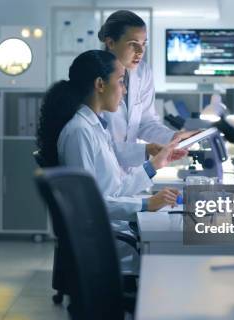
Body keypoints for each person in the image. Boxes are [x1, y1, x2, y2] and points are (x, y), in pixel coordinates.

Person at [37, 50, 180, 219]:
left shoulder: (96, 127)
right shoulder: (79, 132)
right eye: (121, 82)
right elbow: (87, 203)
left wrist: (154, 165)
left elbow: (114, 190)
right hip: (106, 235)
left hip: (114, 227)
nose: (125, 91)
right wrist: (147, 204)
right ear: (100, 84)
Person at [98, 10, 197, 168]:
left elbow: (146, 122)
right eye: (133, 44)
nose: (140, 52)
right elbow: (95, 144)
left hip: (128, 173)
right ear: (110, 43)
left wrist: (174, 137)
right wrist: (145, 150)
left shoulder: (143, 72)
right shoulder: (94, 78)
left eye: (144, 44)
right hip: (101, 171)